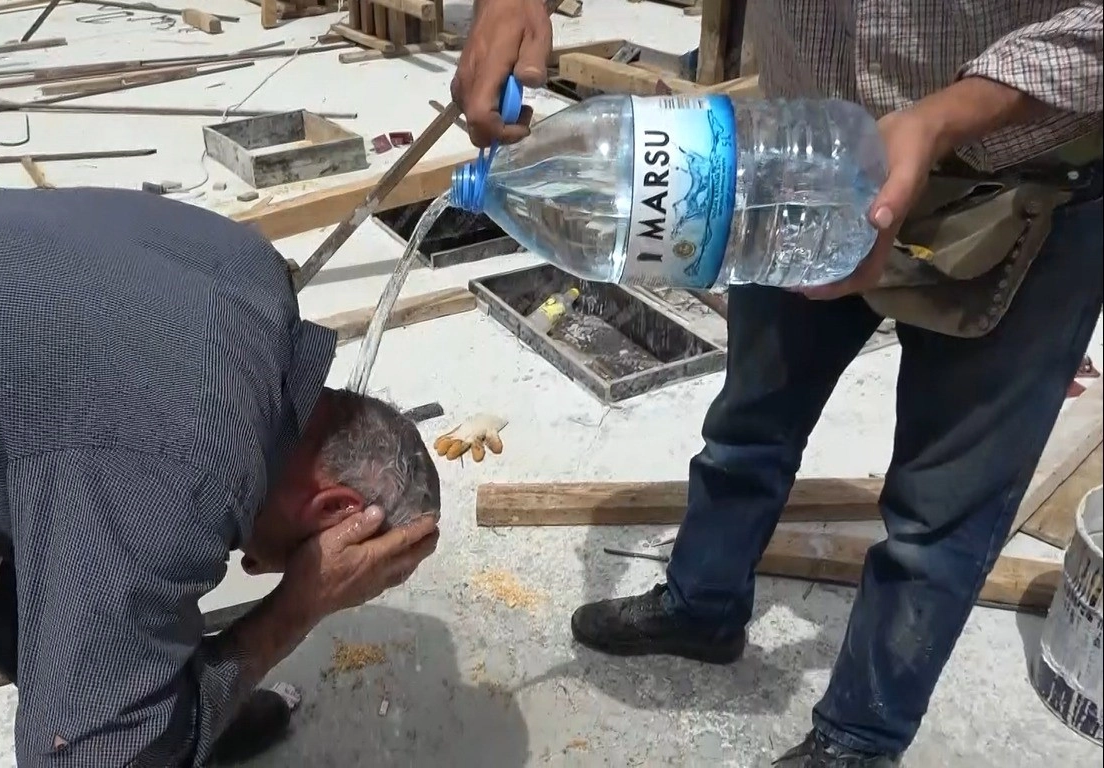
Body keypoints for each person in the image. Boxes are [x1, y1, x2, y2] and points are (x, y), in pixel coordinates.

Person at [454, 1, 1102, 765]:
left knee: (939, 513)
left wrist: (945, 117)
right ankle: (703, 608)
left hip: (1022, 177)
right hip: (794, 163)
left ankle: (858, 741)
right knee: (747, 425)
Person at [0, 187, 441, 767]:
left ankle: (170, 711)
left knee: (104, 595)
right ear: (336, 507)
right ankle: (153, 724)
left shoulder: (249, 277)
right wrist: (294, 609)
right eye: (284, 559)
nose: (253, 566)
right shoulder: (189, 460)